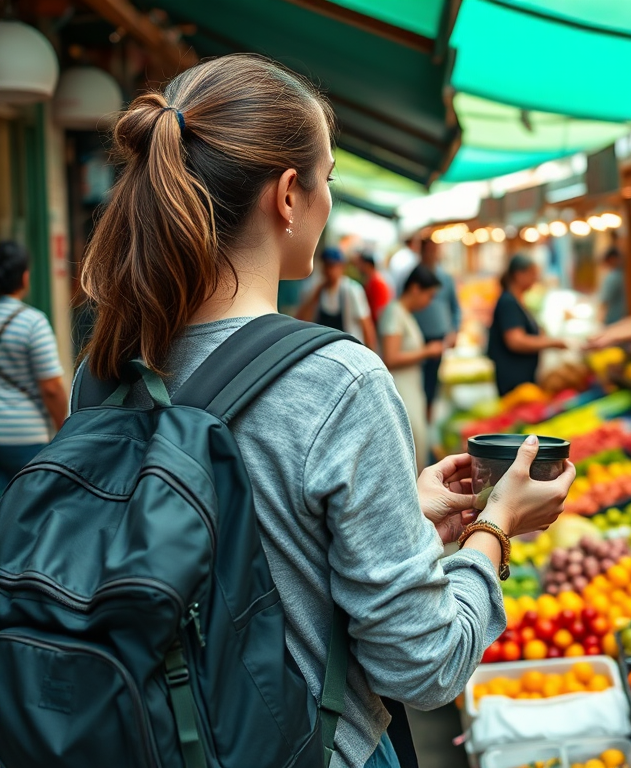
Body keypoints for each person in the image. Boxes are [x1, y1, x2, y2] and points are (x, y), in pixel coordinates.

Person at [77, 54, 574, 768]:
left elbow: (227, 548)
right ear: (288, 195)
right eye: (330, 177)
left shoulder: (106, 364)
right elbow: (424, 665)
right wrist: (497, 527)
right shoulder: (337, 379)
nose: (329, 199)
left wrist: (400, 504)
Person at [0, 241, 67, 487]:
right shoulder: (32, 322)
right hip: (25, 436)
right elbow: (50, 388)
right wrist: (64, 427)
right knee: (24, 511)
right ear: (25, 278)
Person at [379, 265, 444, 473]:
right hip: (402, 388)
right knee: (413, 447)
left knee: (418, 445)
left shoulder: (404, 313)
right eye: (429, 295)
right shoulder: (394, 312)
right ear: (416, 289)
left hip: (411, 387)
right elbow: (390, 356)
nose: (429, 302)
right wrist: (427, 351)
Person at [487, 254, 567, 397]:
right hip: (513, 375)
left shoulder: (517, 300)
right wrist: (550, 343)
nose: (536, 279)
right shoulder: (508, 302)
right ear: (519, 275)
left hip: (522, 373)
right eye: (533, 274)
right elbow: (515, 341)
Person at [296, 246, 377, 350]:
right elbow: (302, 319)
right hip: (325, 348)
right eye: (326, 266)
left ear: (341, 267)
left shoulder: (352, 289)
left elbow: (366, 324)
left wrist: (371, 351)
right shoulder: (317, 290)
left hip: (349, 349)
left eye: (332, 266)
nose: (329, 271)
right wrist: (315, 297)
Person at [414, 239, 461, 409]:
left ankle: (428, 413)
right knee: (417, 380)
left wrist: (455, 330)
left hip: (439, 335)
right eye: (429, 251)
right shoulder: (414, 275)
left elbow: (455, 307)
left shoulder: (446, 278)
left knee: (433, 380)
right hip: (418, 335)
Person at [355, 249, 391, 325]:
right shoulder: (371, 280)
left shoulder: (377, 282)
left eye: (360, 264)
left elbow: (377, 312)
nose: (358, 267)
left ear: (367, 265)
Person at [596, 239, 626, 325]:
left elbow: (604, 301)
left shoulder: (613, 277)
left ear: (611, 259)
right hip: (623, 319)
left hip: (612, 321)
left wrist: (599, 318)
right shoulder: (627, 275)